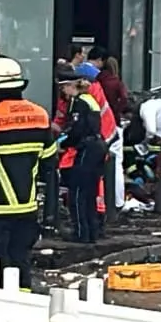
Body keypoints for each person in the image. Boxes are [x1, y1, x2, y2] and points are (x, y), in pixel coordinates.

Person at [0, 56, 56, 290]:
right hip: (26, 207)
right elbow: (49, 163)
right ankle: (24, 305)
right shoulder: (40, 115)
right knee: (21, 262)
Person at [56, 68, 107, 243]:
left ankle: (80, 232)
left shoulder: (78, 103)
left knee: (77, 192)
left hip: (87, 148)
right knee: (90, 191)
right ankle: (92, 231)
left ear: (70, 86)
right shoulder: (90, 99)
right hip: (98, 146)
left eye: (63, 88)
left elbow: (77, 130)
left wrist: (63, 144)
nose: (62, 92)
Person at [74, 61, 123, 214]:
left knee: (104, 172)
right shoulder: (95, 90)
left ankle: (107, 206)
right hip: (108, 133)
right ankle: (114, 204)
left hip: (105, 135)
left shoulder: (88, 95)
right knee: (112, 170)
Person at [87, 47, 129, 118]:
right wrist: (116, 110)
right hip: (112, 114)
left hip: (98, 112)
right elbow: (124, 98)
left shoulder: (97, 79)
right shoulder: (117, 82)